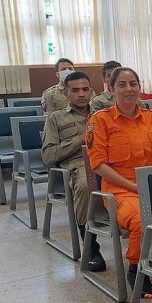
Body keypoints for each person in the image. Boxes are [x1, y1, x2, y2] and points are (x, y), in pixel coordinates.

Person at [86, 67, 152, 294]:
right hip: (120, 191)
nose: (129, 89)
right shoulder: (100, 120)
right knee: (141, 219)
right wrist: (135, 186)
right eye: (122, 85)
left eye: (133, 84)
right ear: (111, 88)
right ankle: (137, 268)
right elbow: (99, 164)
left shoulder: (151, 118)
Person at [41, 71, 106, 272]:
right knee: (87, 184)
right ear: (66, 93)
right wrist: (79, 139)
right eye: (75, 90)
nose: (81, 94)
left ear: (91, 91)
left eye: (85, 89)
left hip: (108, 163)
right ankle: (91, 247)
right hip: (78, 165)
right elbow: (48, 155)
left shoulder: (103, 114)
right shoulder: (56, 118)